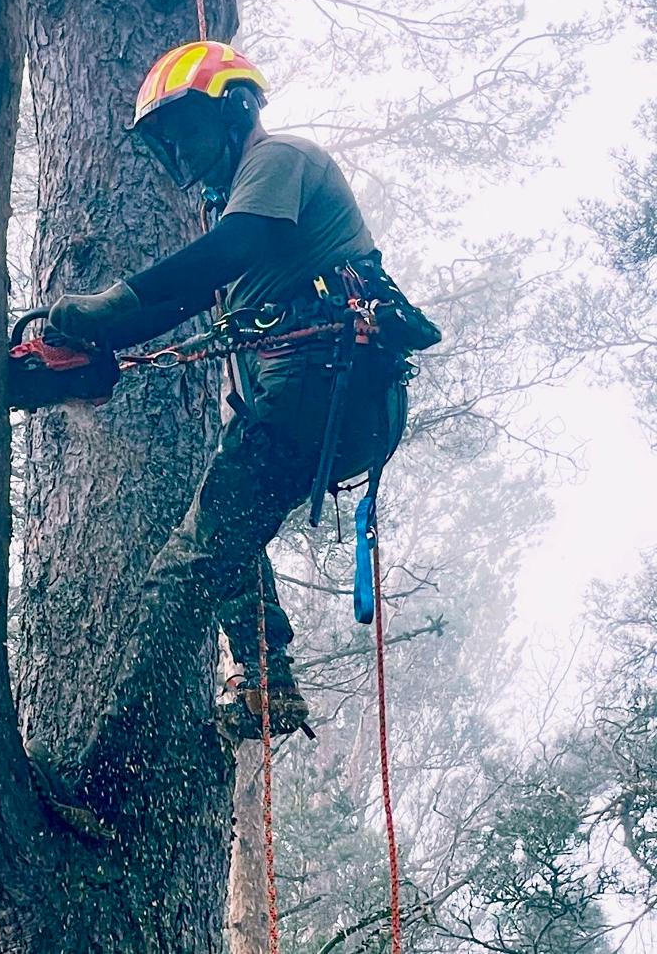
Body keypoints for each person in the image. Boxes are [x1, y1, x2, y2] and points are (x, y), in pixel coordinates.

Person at [49, 40, 439, 739]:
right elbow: (183, 301)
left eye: (184, 130)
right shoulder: (238, 203)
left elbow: (224, 255)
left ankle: (113, 760)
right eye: (165, 142)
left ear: (233, 108)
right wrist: (101, 341)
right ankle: (268, 684)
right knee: (228, 533)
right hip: (314, 395)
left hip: (324, 383)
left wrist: (110, 300)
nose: (178, 153)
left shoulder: (279, 160)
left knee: (182, 569)